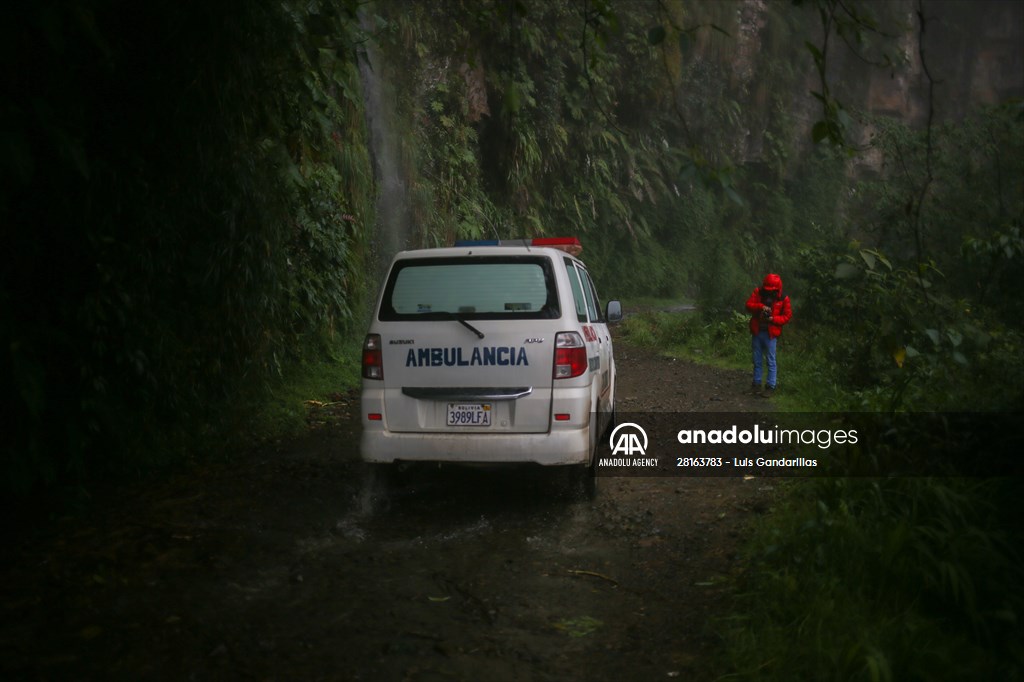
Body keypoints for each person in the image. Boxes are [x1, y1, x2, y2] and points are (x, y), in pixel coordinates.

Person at [745, 273, 792, 396]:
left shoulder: (783, 298)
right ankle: (756, 384)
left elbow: (787, 316)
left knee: (771, 360)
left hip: (771, 334)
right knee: (757, 360)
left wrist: (773, 319)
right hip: (757, 331)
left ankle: (771, 386)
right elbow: (748, 305)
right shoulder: (758, 292)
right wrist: (761, 307)